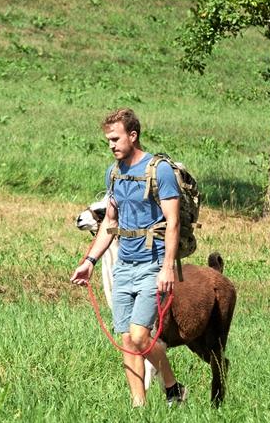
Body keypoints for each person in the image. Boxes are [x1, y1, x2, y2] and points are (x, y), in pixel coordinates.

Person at [70, 108, 187, 407]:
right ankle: (139, 406)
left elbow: (173, 223)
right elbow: (110, 225)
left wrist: (166, 269)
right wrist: (89, 262)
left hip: (152, 263)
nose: (111, 144)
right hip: (124, 265)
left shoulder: (158, 170)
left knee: (139, 336)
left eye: (115, 138)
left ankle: (172, 387)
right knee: (125, 339)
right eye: (108, 139)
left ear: (133, 136)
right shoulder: (114, 173)